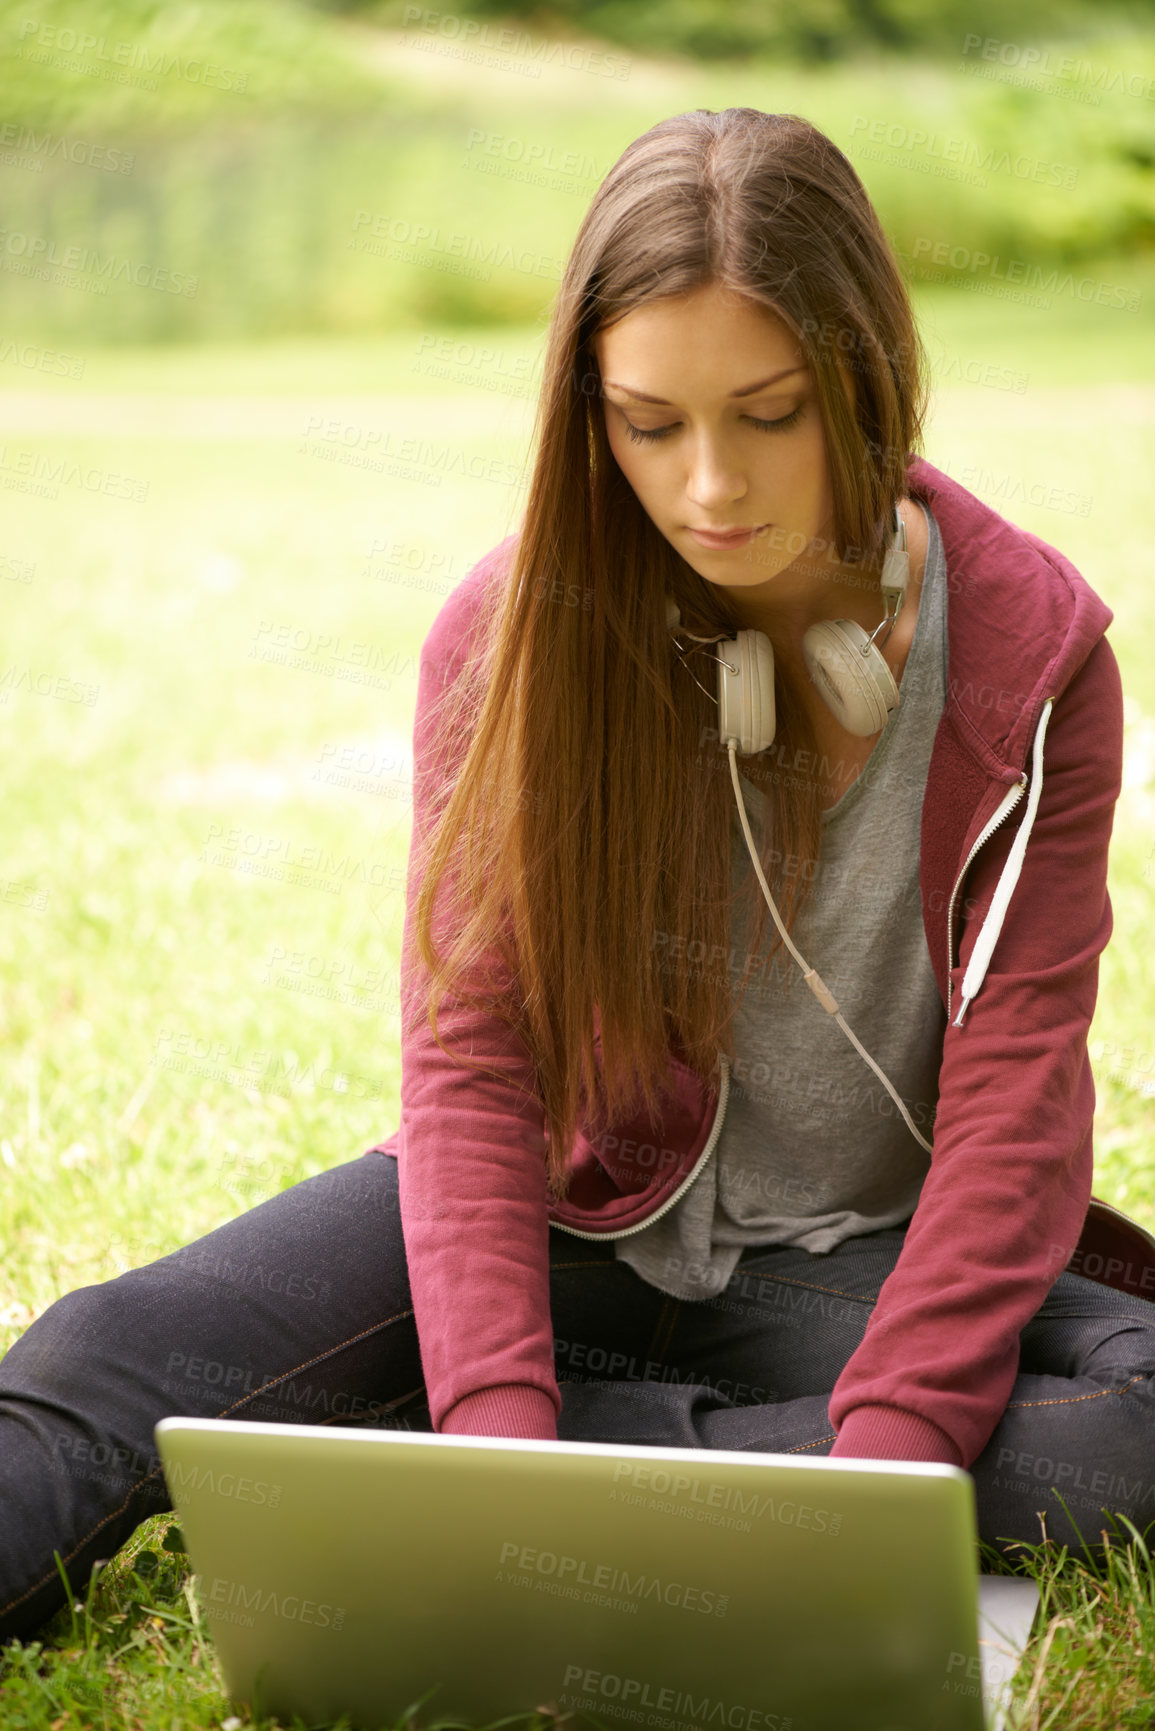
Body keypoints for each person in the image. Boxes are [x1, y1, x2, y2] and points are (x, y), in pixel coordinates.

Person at [2, 106, 1153, 1650]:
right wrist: (497, 1417)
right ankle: (514, 1443)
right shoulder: (513, 634)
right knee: (109, 1357)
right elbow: (470, 1062)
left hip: (850, 1275)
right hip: (565, 1221)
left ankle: (468, 1466)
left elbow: (1020, 1105)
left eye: (770, 413)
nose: (707, 490)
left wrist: (882, 1467)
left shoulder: (1035, 666)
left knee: (1133, 1425)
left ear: (866, 376)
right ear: (587, 412)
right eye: (648, 424)